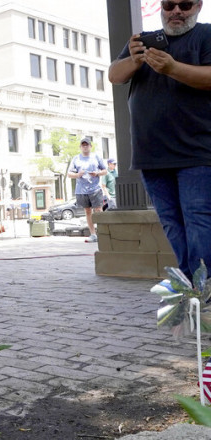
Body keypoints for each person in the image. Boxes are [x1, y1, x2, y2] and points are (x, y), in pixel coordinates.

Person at [108, 0, 211, 278]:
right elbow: (114, 75)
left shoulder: (206, 35)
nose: (176, 11)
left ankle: (205, 291)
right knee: (171, 223)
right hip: (151, 153)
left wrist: (172, 68)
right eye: (169, 5)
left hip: (197, 153)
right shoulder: (143, 42)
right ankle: (192, 286)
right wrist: (134, 59)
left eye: (185, 5)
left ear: (199, 6)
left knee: (198, 221)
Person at [67, 136, 107, 243]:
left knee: (98, 210)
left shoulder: (96, 157)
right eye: (83, 145)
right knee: (87, 211)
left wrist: (97, 173)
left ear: (90, 146)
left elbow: (105, 170)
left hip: (95, 189)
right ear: (80, 147)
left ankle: (102, 233)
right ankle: (93, 234)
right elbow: (69, 174)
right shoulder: (76, 158)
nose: (85, 147)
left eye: (87, 145)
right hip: (81, 190)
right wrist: (77, 174)